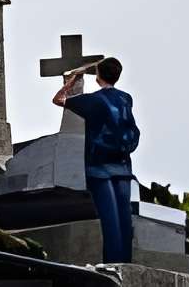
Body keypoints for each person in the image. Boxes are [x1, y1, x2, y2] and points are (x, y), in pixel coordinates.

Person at [54, 55, 142, 262]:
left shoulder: (92, 101)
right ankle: (126, 265)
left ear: (98, 76)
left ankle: (112, 266)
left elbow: (58, 99)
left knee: (109, 219)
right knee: (123, 218)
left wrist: (72, 81)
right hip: (122, 166)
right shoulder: (125, 98)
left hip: (99, 168)